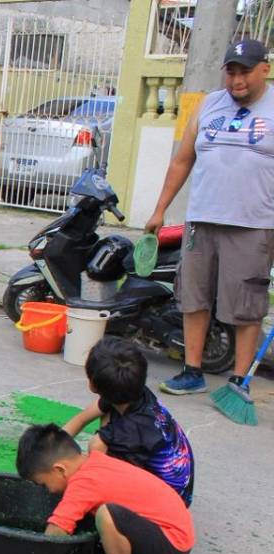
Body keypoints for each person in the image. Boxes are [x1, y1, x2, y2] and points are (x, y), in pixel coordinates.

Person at [145, 39, 274, 399]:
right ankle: (192, 370)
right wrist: (160, 209)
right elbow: (182, 160)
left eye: (244, 71)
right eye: (231, 72)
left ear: (264, 68)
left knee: (246, 304)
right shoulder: (210, 104)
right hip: (202, 219)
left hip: (254, 223)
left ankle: (238, 382)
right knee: (193, 297)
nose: (236, 80)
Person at [17, 424, 194, 554]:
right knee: (105, 510)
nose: (46, 491)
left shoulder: (84, 482)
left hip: (172, 543)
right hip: (167, 529)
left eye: (43, 485)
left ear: (60, 470)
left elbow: (57, 530)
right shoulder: (95, 462)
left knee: (107, 513)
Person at [62, 336, 195, 505]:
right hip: (175, 485)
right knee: (106, 415)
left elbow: (90, 475)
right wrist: (50, 448)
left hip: (168, 503)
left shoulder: (120, 433)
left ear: (92, 385)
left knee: (89, 467)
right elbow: (80, 420)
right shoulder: (131, 390)